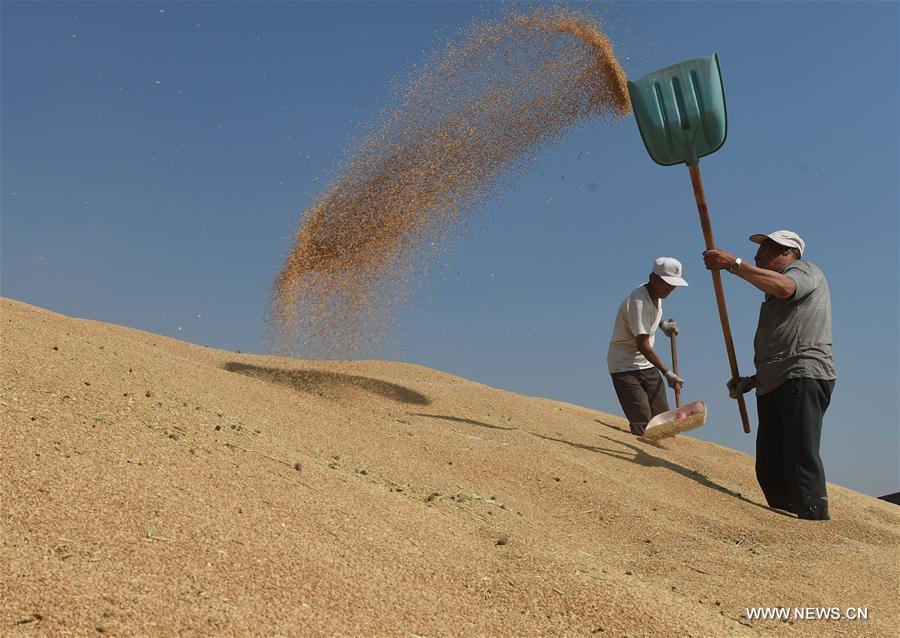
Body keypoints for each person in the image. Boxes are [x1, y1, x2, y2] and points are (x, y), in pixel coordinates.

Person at [703, 230, 836, 520]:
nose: (757, 256)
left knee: (799, 456)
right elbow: (781, 341)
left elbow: (787, 288)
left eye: (766, 251)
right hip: (775, 382)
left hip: (802, 374)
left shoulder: (802, 270)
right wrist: (751, 381)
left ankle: (813, 519)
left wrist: (733, 264)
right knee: (770, 466)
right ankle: (783, 520)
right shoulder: (770, 290)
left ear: (788, 253)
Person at [607, 257, 687, 436]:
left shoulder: (657, 294)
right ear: (653, 277)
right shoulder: (638, 300)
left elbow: (648, 317)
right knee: (643, 424)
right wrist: (667, 373)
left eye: (673, 285)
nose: (670, 289)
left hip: (646, 363)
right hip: (624, 365)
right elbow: (642, 344)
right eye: (667, 283)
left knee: (663, 419)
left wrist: (663, 325)